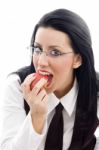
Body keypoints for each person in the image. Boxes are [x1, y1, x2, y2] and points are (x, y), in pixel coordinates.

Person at [0, 8, 99, 150]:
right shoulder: (16, 86)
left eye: (55, 52)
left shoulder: (95, 93)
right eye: (37, 49)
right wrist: (36, 117)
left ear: (77, 59)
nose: (41, 62)